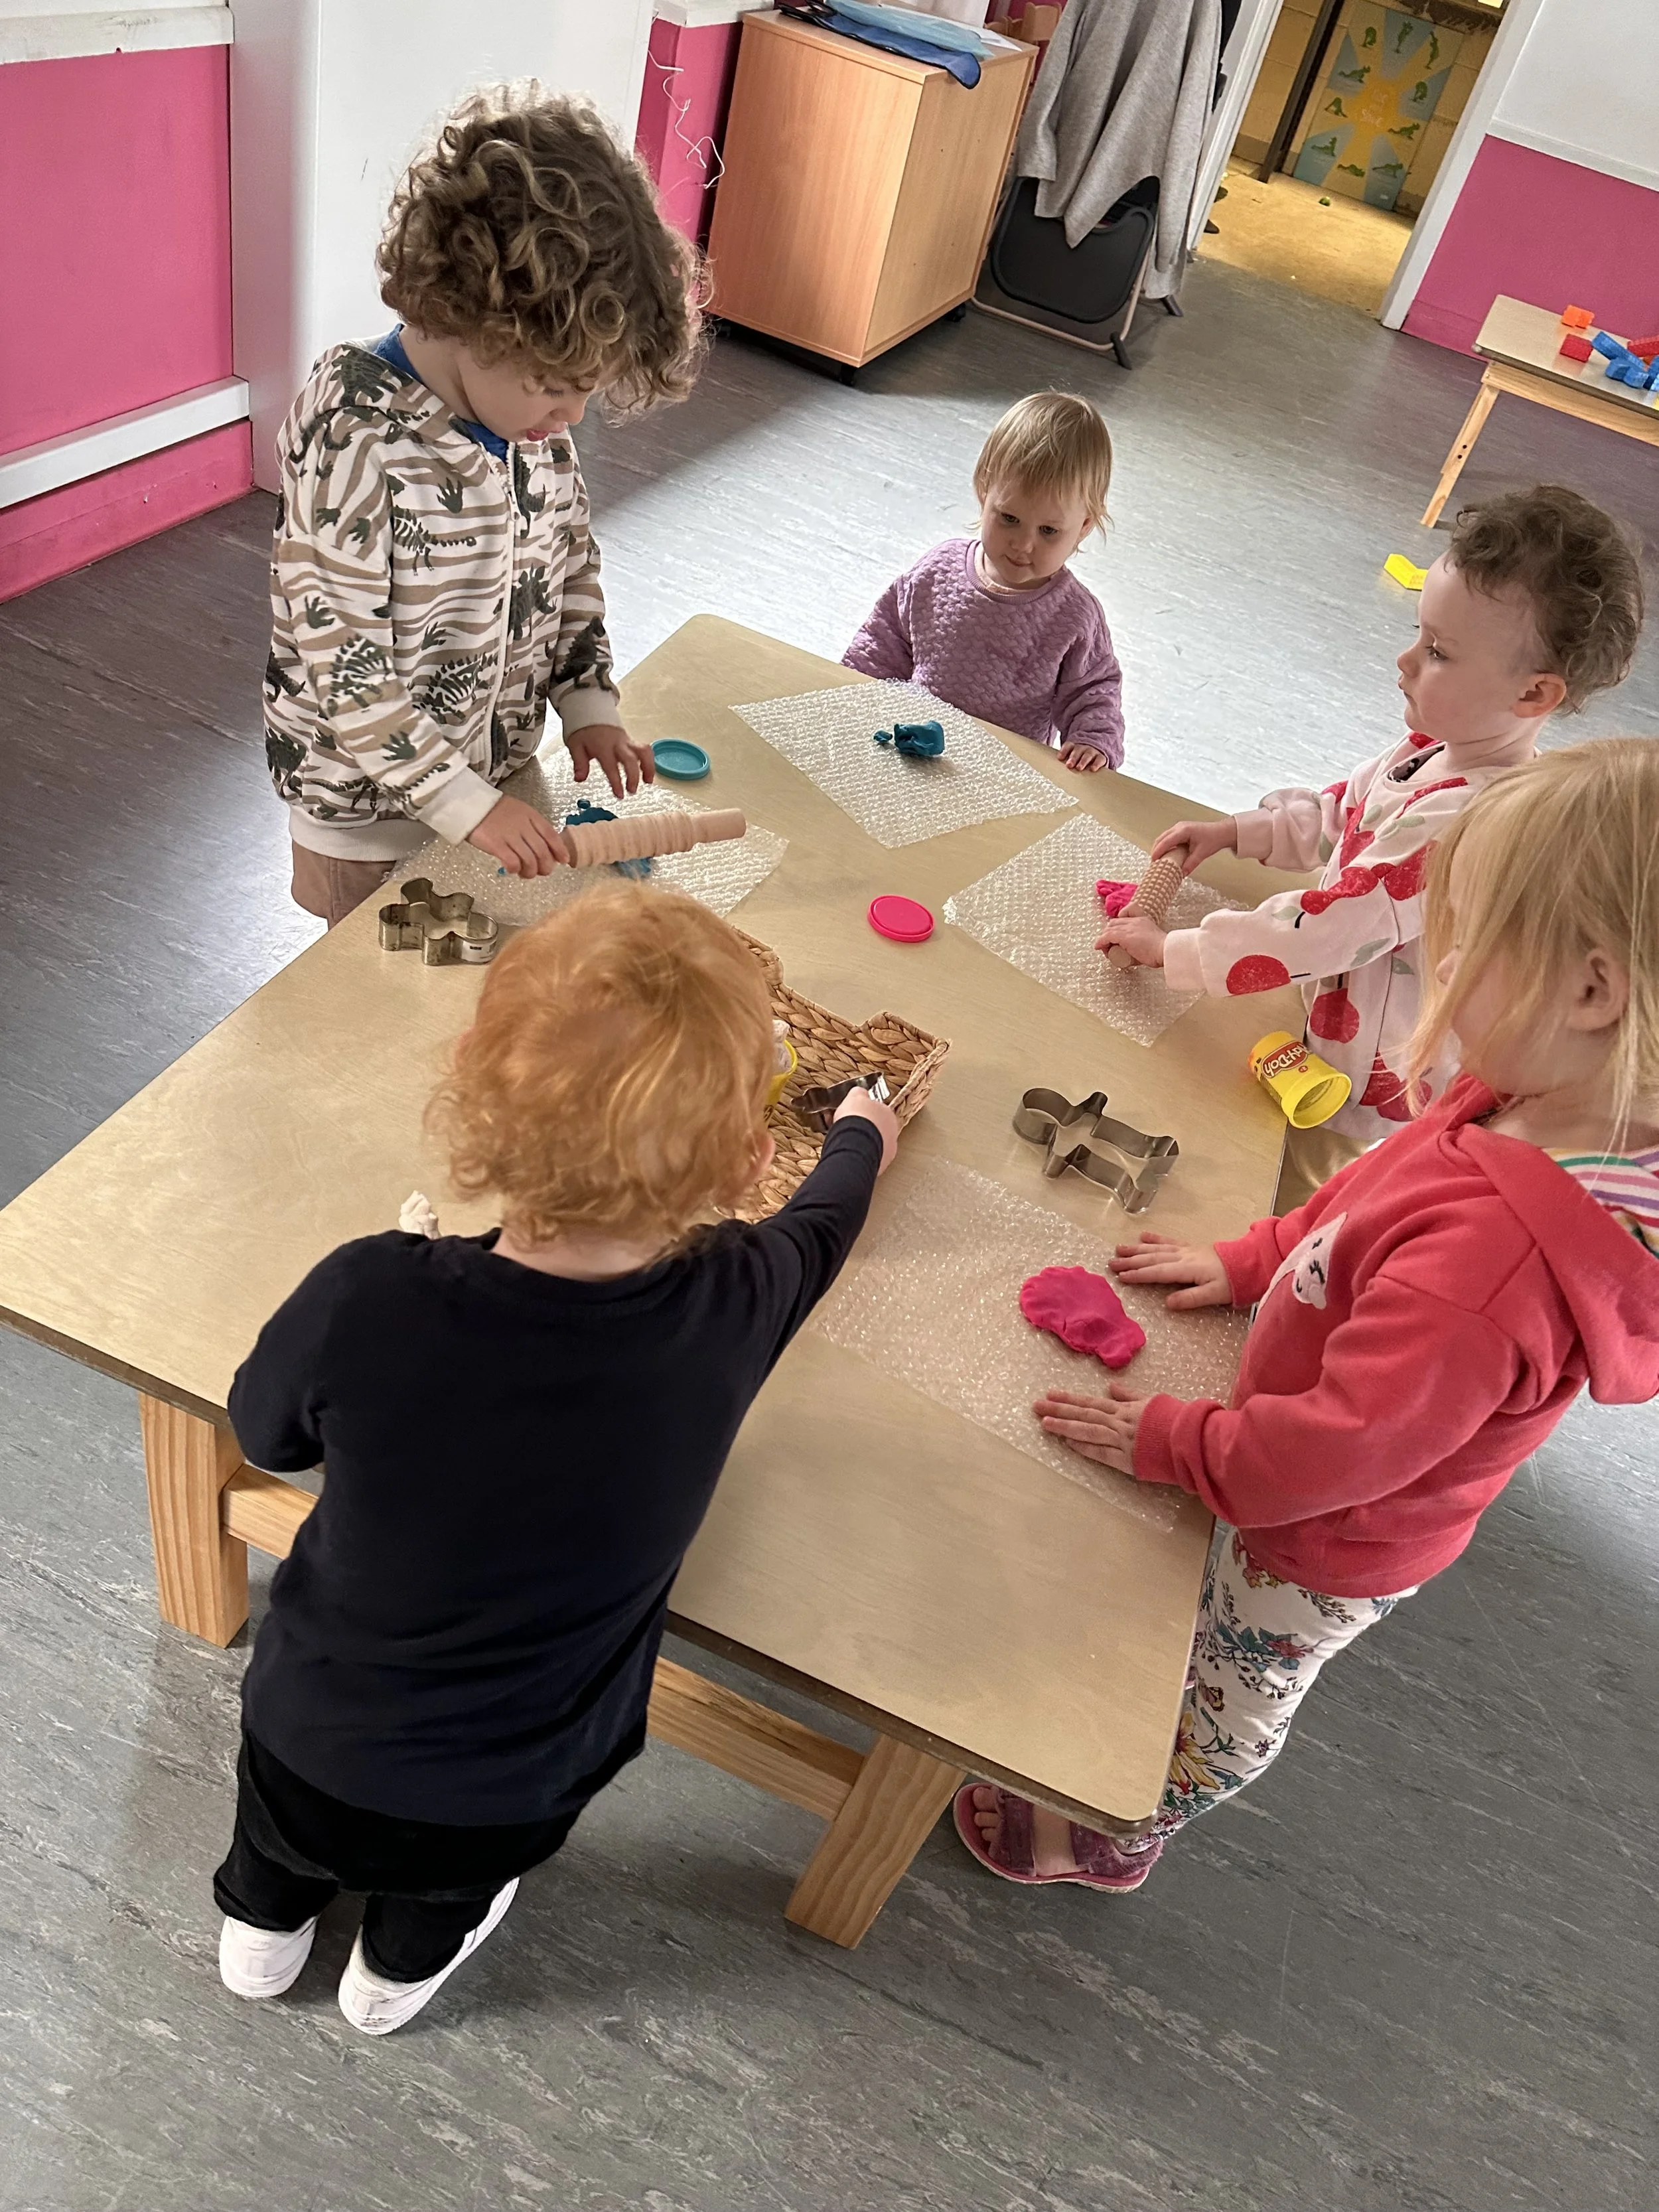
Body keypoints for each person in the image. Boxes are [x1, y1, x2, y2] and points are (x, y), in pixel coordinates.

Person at [958, 737, 1659, 1894]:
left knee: (1224, 1697)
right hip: (1284, 1451)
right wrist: (1257, 1258)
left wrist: (1175, 1441)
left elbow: (1330, 1455)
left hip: (1319, 1540)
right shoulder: (1529, 1087)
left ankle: (1125, 1824)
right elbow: (1370, 1195)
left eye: (1472, 943)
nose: (1441, 965)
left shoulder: (1494, 1268)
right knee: (1179, 1607)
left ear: (1591, 991)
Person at [212, 883, 899, 2031]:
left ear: (474, 1089)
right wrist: (862, 1132)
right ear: (745, 1162)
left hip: (310, 1731)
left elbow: (266, 1433)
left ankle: (261, 1934)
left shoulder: (370, 1293)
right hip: (514, 1783)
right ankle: (393, 1976)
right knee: (448, 1887)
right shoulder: (740, 1294)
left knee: (275, 1843)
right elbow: (825, 1224)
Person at [1098, 485, 1644, 1161]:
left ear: (1533, 693)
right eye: (1418, 634)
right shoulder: (1431, 748)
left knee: (1287, 1174)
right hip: (1327, 1013)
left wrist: (1173, 950)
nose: (1405, 660)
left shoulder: (1466, 818)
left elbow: (1334, 924)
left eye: (1438, 651)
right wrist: (1239, 832)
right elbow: (1343, 815)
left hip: (1359, 1079)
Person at [263, 90, 703, 927]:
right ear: (476, 321)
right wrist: (465, 805)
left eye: (588, 390)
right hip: (368, 824)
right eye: (556, 385)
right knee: (368, 991)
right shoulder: (354, 435)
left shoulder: (530, 427)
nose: (572, 415)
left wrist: (588, 706)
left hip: (491, 788)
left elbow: (569, 569)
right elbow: (344, 665)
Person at [843, 392, 1125, 773]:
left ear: (1084, 526)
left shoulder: (1075, 616)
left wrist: (1093, 740)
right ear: (984, 492)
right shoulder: (939, 569)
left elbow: (1093, 691)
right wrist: (852, 686)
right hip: (911, 750)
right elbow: (887, 635)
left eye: (1048, 531)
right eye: (1009, 519)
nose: (1023, 544)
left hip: (1002, 771)